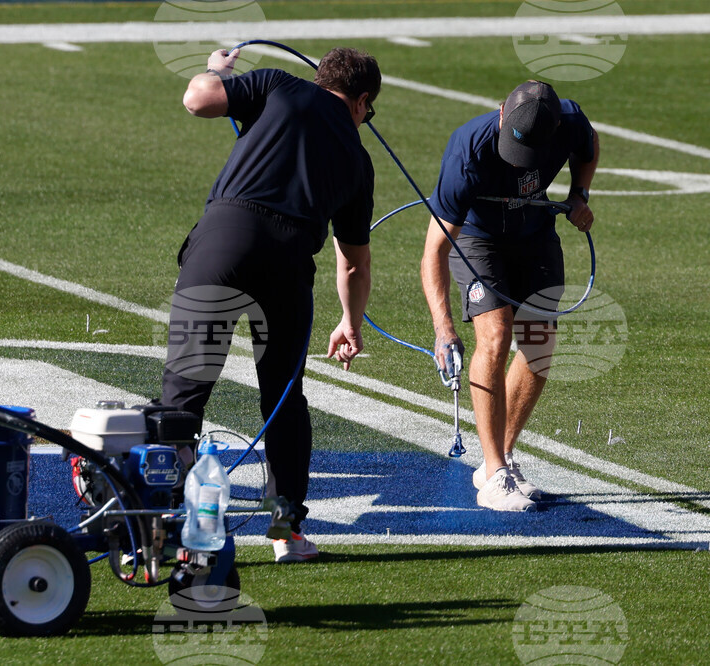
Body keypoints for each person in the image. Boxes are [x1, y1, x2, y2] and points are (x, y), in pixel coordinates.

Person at [160, 47, 381, 562]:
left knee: (185, 390)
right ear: (361, 100)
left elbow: (197, 100)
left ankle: (173, 526)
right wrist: (349, 322)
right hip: (287, 263)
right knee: (283, 399)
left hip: (223, 243)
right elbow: (353, 264)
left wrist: (220, 70)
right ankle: (286, 531)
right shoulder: (359, 159)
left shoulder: (280, 85)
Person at [421, 80, 599, 511]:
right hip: (479, 239)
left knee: (539, 344)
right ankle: (496, 473)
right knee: (496, 338)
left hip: (534, 231)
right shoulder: (468, 151)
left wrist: (579, 193)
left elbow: (589, 145)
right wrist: (443, 326)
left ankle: (499, 458)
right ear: (502, 114)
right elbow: (435, 249)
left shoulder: (570, 120)